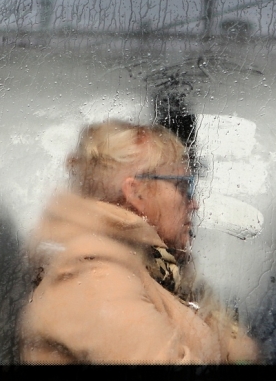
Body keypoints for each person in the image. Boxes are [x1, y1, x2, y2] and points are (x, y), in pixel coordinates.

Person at [19, 120, 260, 363]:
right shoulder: (96, 279)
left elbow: (234, 347)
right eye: (183, 186)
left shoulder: (155, 270)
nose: (194, 203)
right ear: (136, 192)